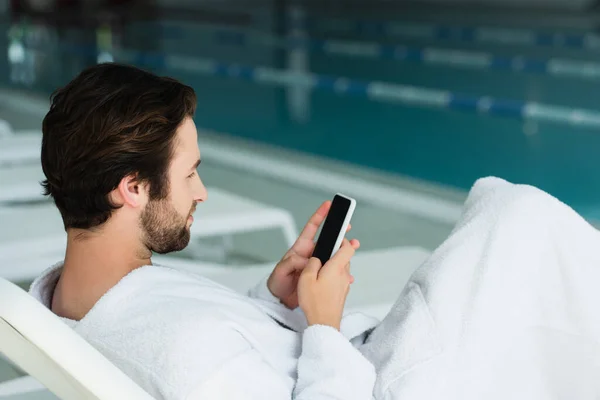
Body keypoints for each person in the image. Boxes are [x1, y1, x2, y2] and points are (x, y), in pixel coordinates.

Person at [30, 63, 600, 400]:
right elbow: (206, 360)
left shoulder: (78, 296)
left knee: (512, 220)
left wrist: (274, 300)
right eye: (189, 173)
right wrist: (322, 324)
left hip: (353, 361)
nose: (201, 191)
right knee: (518, 221)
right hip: (386, 383)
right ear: (131, 189)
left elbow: (229, 355)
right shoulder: (178, 355)